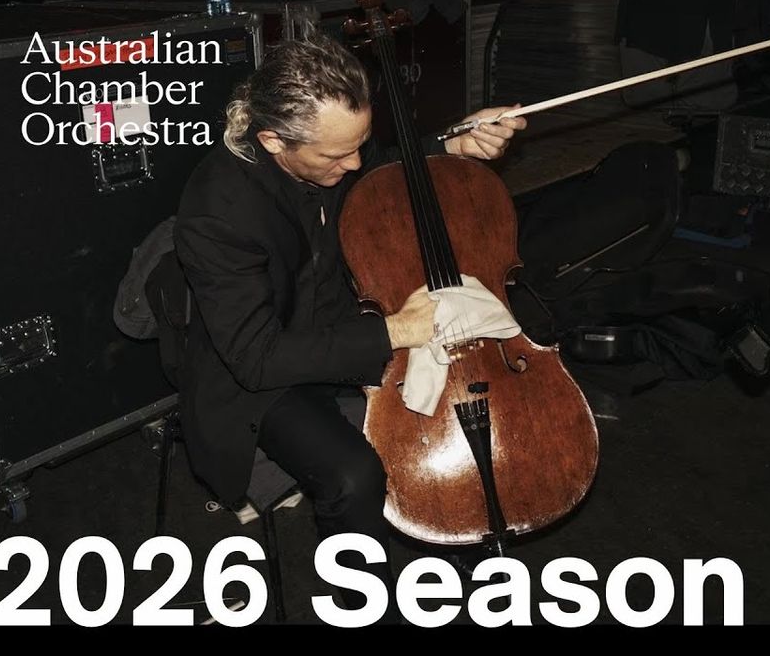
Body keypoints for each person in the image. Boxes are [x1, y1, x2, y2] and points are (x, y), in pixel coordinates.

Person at [172, 31, 525, 621]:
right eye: (336, 156)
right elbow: (257, 359)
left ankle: (455, 537)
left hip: (343, 324)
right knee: (353, 475)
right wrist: (394, 332)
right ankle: (361, 600)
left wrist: (453, 143)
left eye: (359, 143)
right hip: (264, 374)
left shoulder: (333, 149)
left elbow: (379, 167)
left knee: (453, 403)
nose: (354, 164)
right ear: (273, 140)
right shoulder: (219, 210)